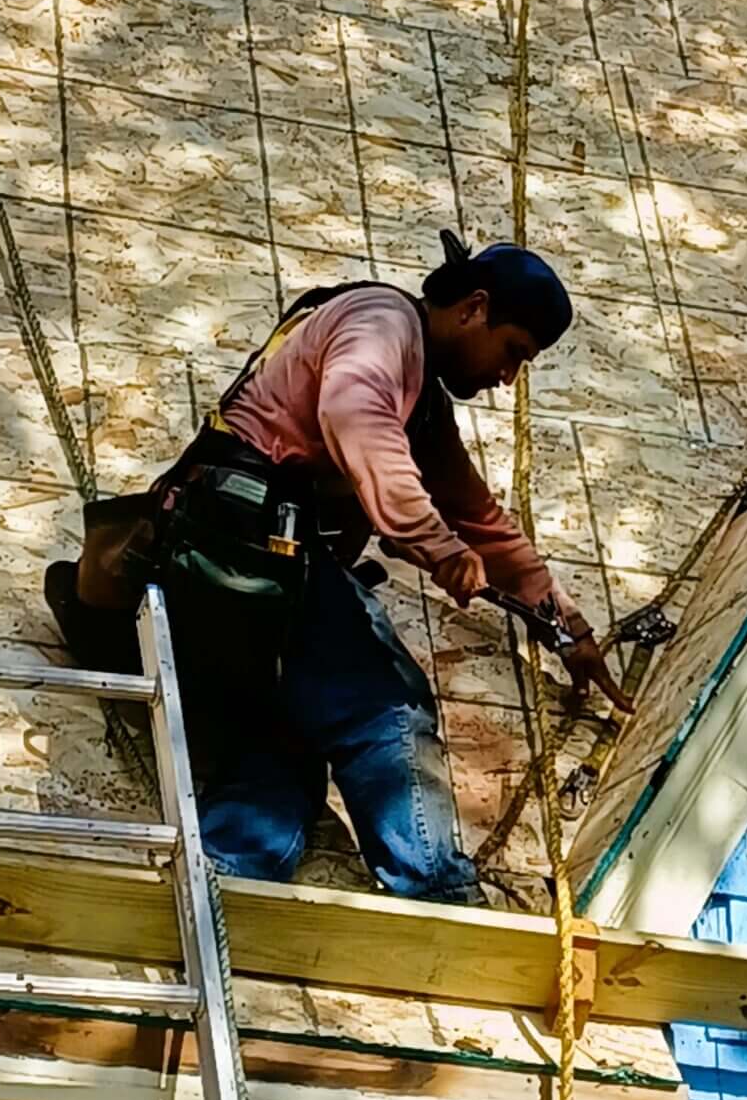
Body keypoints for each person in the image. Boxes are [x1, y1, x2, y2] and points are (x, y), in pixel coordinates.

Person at [46, 235, 626, 900]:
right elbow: (356, 414)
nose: (507, 377)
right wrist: (436, 546)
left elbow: (481, 522)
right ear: (474, 307)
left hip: (229, 573)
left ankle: (229, 878)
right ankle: (434, 887)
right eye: (514, 351)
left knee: (283, 744)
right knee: (386, 706)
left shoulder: (422, 400)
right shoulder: (382, 324)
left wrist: (566, 626)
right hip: (247, 544)